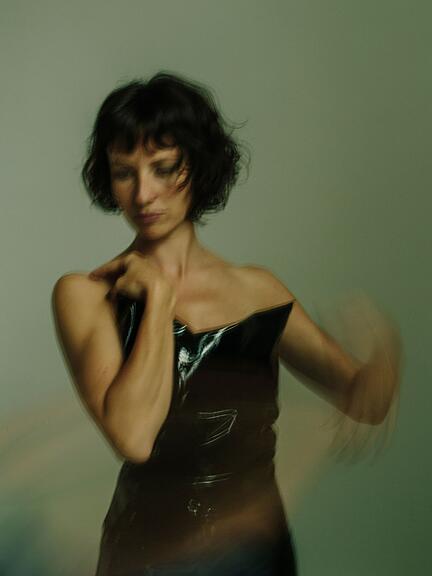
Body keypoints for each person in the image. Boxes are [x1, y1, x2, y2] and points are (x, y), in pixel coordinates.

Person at [51, 71, 401, 575]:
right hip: (147, 557)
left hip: (254, 555)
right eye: (124, 173)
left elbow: (362, 398)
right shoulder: (85, 294)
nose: (144, 194)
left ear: (197, 163)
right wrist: (158, 298)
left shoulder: (259, 291)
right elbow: (134, 437)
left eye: (163, 168)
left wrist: (384, 362)